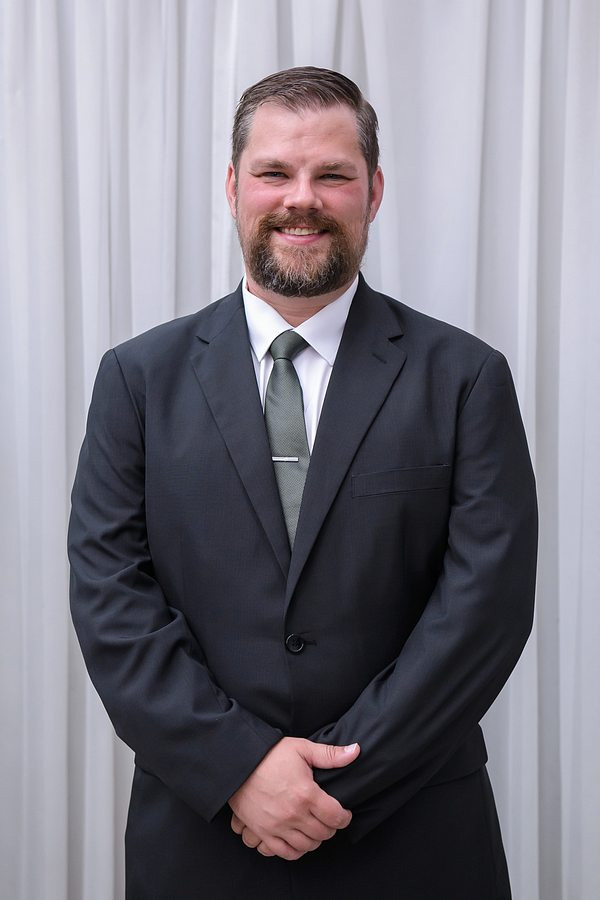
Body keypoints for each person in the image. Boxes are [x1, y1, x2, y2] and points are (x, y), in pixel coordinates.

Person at [68, 66, 537, 899]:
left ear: (374, 191)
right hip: (203, 834)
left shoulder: (466, 377)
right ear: (233, 187)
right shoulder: (137, 379)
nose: (301, 199)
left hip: (416, 837)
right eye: (275, 172)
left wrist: (325, 787)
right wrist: (240, 769)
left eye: (333, 175)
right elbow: (112, 600)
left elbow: (483, 613)